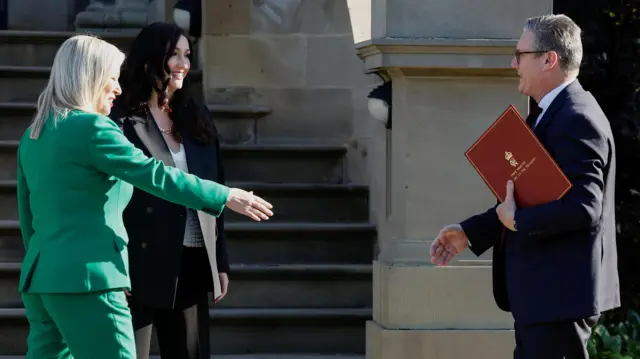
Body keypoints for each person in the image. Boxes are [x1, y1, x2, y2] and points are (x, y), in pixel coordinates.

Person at [16, 34, 273, 359]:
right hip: (91, 280)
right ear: (90, 76)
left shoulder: (35, 134)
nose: (118, 88)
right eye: (112, 77)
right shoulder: (94, 129)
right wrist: (223, 195)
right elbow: (154, 174)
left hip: (41, 280)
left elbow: (28, 218)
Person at [430, 14, 619, 359]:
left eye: (520, 54)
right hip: (543, 300)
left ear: (549, 59)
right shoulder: (552, 112)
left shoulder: (577, 118)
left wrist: (517, 222)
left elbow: (584, 207)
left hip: (558, 300)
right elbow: (527, 197)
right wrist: (470, 232)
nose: (513, 62)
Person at [109, 22, 226, 359]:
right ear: (149, 60)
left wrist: (220, 260)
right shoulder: (120, 119)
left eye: (187, 55)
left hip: (190, 259)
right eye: (173, 54)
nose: (182, 63)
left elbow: (215, 187)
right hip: (138, 263)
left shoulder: (195, 115)